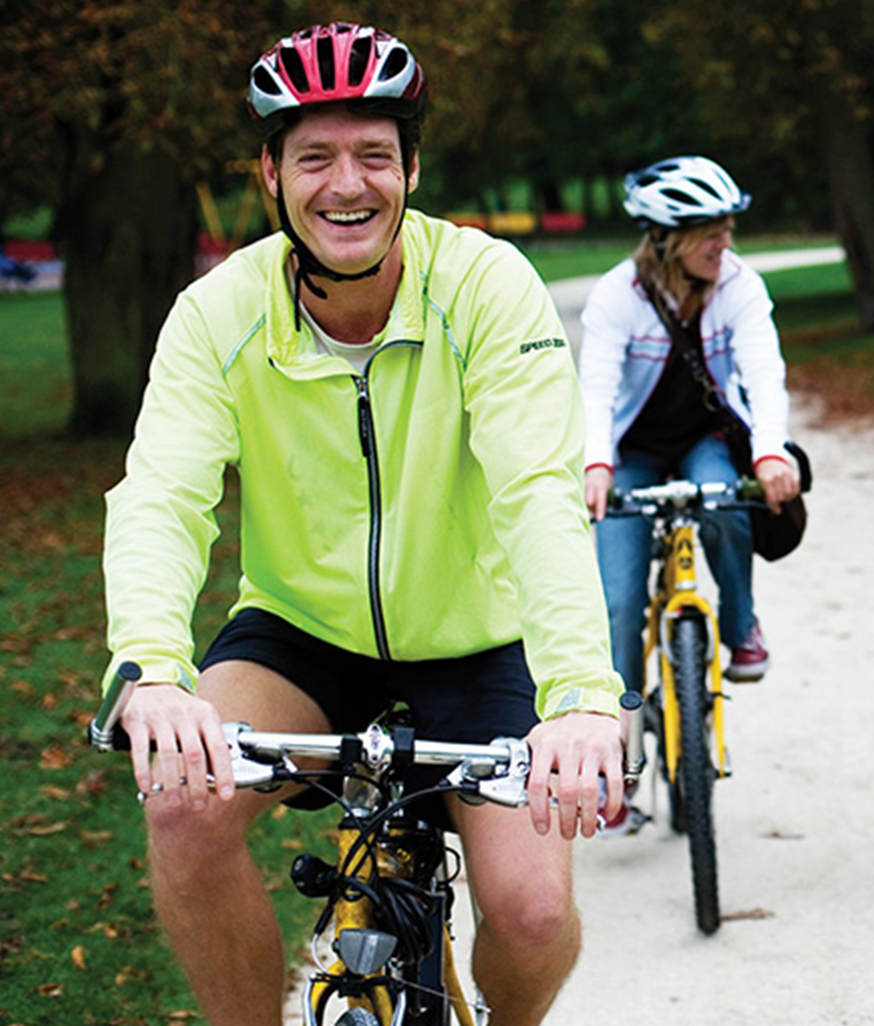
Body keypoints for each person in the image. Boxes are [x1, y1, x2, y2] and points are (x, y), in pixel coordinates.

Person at [99, 23, 623, 1026]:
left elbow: (535, 493)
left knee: (530, 907)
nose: (349, 184)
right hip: (300, 635)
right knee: (179, 802)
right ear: (271, 174)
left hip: (479, 641)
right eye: (316, 157)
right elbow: (163, 494)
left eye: (374, 154)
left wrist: (582, 697)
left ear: (411, 166)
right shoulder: (216, 313)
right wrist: (153, 670)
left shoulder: (482, 287)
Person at [578, 155, 801, 688]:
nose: (725, 243)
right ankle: (620, 734)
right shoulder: (617, 294)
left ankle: (742, 625)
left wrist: (771, 451)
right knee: (621, 601)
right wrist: (595, 463)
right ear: (666, 239)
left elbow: (764, 373)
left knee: (725, 504)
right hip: (633, 452)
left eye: (728, 229)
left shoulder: (739, 286)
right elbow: (597, 389)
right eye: (711, 233)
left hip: (704, 439)